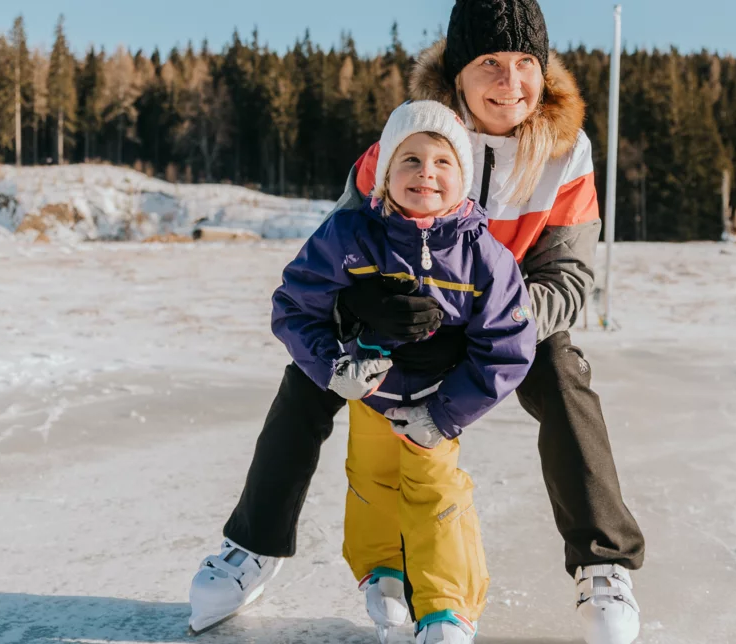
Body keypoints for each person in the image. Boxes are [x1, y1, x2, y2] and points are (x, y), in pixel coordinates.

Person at [195, 1, 647, 642]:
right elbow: (338, 250)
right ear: (456, 73)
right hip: (402, 319)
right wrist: (360, 310)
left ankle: (602, 563)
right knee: (307, 379)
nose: (509, 82)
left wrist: (494, 321)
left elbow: (569, 278)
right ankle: (254, 545)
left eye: (525, 64)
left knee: (564, 375)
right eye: (489, 62)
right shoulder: (407, 141)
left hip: (505, 319)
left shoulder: (566, 153)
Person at [190, 101, 535, 644]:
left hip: (436, 401)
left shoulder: (483, 255)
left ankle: (447, 608)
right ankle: (383, 573)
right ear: (384, 174)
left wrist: (445, 414)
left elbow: (509, 347)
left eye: (443, 162)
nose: (426, 173)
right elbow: (294, 306)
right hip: (369, 396)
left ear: (463, 178)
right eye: (411, 160)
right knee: (370, 480)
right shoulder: (349, 236)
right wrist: (333, 367)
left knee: (435, 490)